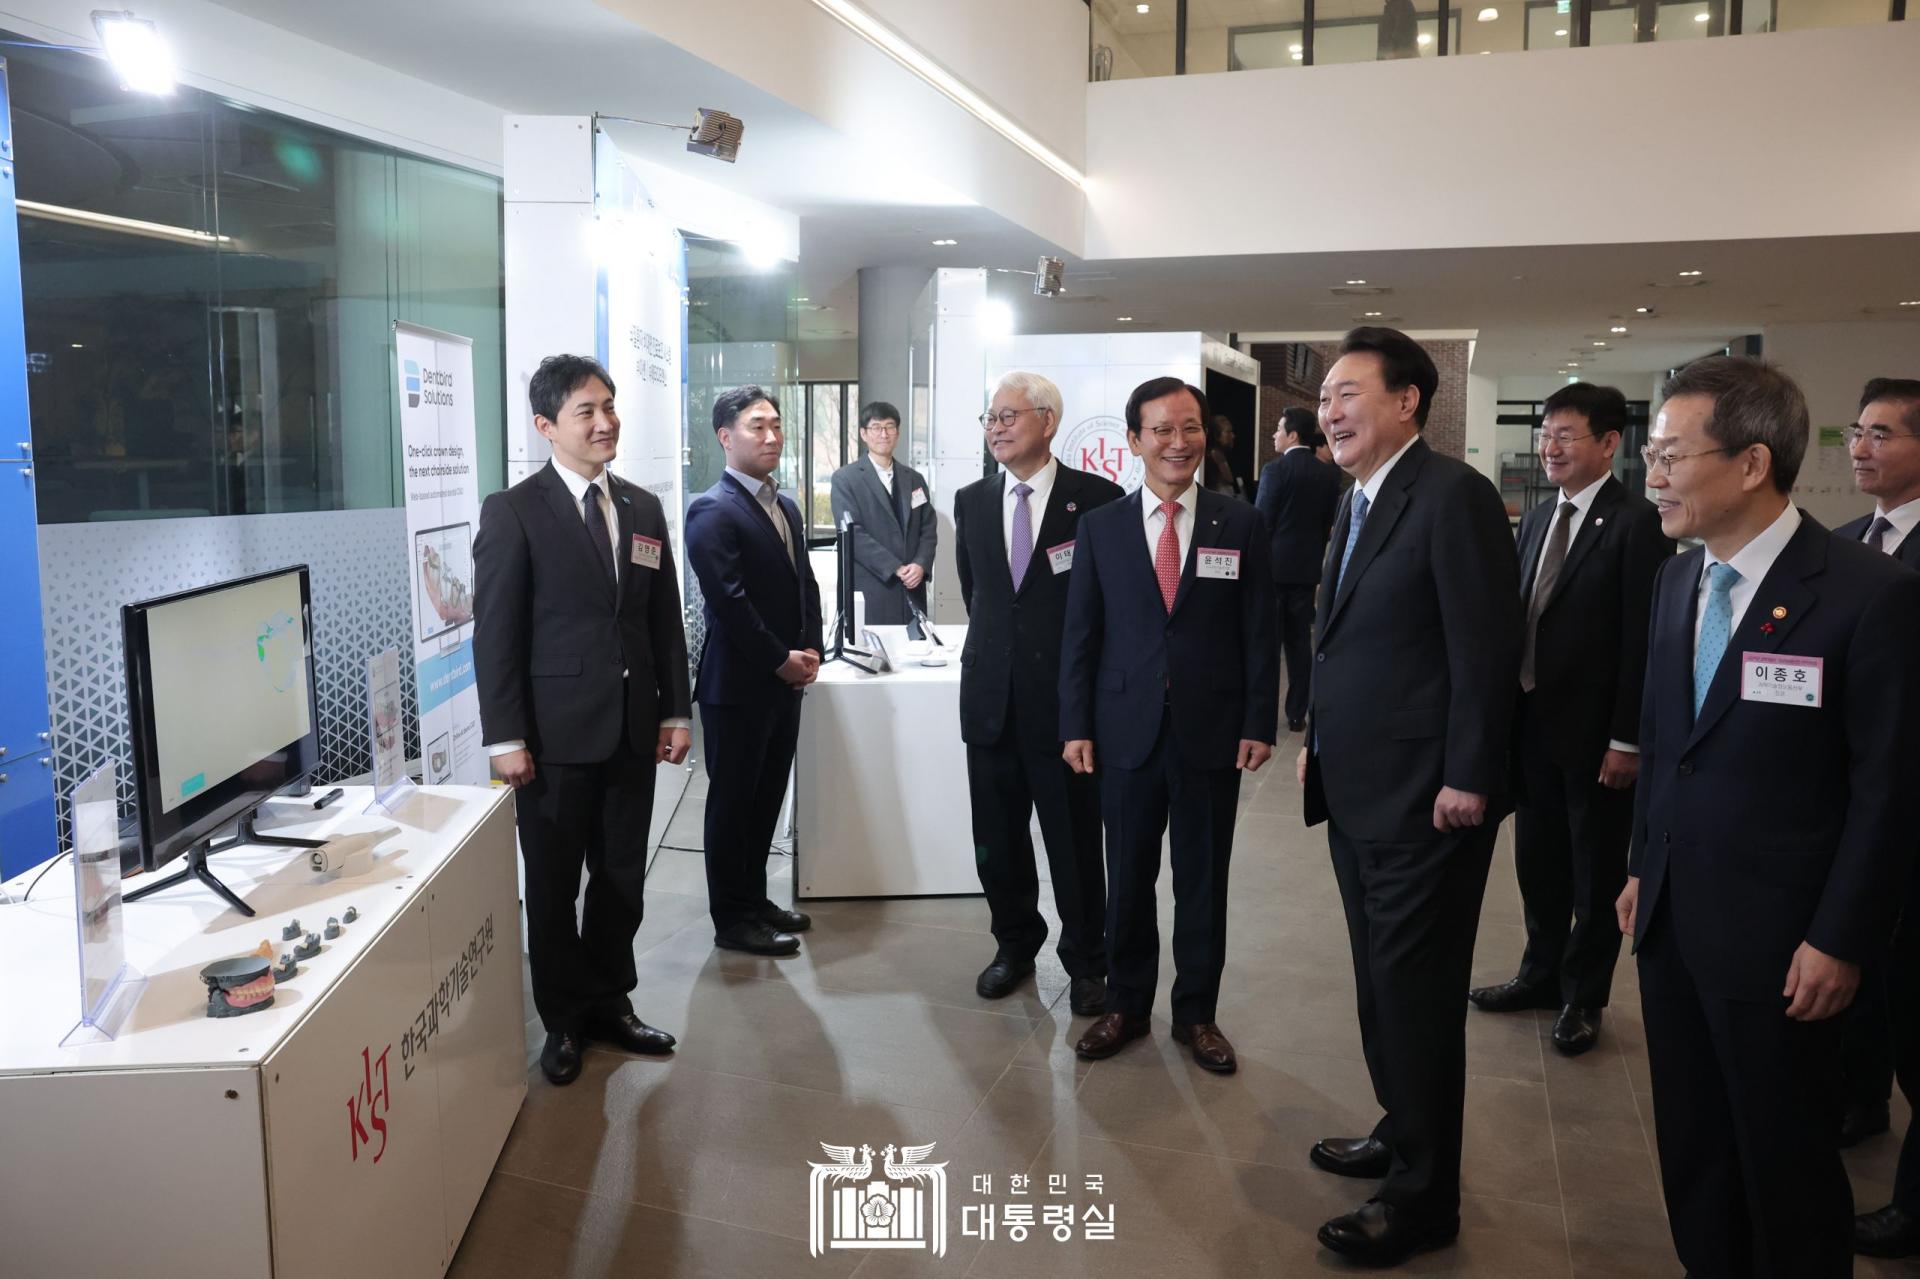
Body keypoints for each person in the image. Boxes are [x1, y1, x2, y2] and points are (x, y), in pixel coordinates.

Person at [1617, 356, 1920, 1277]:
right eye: (1650, 453)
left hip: (1786, 944)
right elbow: (1667, 744)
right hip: (1674, 920)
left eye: (1671, 454)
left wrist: (1841, 937)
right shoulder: (1679, 582)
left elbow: (1889, 788)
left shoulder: (1869, 592)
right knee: (1695, 1148)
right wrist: (1642, 865)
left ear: (1752, 463)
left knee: (1784, 1164)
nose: (1653, 474)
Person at [1297, 327, 1521, 1266]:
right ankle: (1402, 1128)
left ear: (1407, 401)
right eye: (1324, 399)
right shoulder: (1358, 499)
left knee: (1417, 996)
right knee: (1381, 984)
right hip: (1360, 790)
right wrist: (1319, 743)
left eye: (1348, 393)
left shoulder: (1452, 496)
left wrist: (1470, 772)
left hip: (1427, 800)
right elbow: (1345, 641)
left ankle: (1425, 1198)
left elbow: (1485, 649)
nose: (1330, 412)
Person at [473, 354, 691, 1086]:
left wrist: (675, 708)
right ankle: (563, 1018)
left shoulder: (641, 507)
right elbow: (496, 634)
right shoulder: (514, 511)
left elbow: (662, 622)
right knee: (554, 883)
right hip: (552, 737)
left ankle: (609, 1000)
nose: (605, 422)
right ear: (546, 425)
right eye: (586, 411)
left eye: (610, 406)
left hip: (631, 727)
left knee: (622, 876)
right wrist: (506, 736)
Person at [1060, 376, 1277, 1074]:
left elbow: (1258, 631)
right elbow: (1081, 636)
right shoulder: (1101, 528)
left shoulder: (1239, 522)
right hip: (1123, 732)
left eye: (1191, 427)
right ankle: (1125, 1004)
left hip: (1210, 732)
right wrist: (1075, 724)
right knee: (1126, 877)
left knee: (1203, 880)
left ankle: (1197, 1014)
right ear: (1134, 440)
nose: (1178, 442)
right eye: (1162, 429)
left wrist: (1259, 719)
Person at [1468, 383, 1671, 1055]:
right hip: (1531, 724)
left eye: (1565, 435)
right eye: (1544, 435)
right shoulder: (1535, 518)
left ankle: (1583, 996)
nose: (1549, 448)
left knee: (1596, 868)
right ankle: (1539, 974)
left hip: (1596, 736)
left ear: (1609, 443)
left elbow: (1642, 640)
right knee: (1540, 861)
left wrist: (1626, 738)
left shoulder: (1637, 523)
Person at [954, 372, 1124, 1016]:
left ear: (1048, 421)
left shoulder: (1098, 500)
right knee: (997, 840)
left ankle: (1087, 961)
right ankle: (1014, 944)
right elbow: (979, 595)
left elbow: (1105, 608)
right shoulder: (971, 501)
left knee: (1074, 843)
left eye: (1009, 416)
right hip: (991, 703)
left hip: (1065, 709)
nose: (996, 428)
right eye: (990, 418)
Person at [685, 385, 824, 957]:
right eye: (756, 426)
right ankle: (732, 918)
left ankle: (756, 900)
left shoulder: (784, 505)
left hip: (784, 682)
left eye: (776, 424)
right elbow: (730, 602)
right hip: (738, 687)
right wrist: (779, 659)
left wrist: (811, 648)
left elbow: (804, 582)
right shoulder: (712, 509)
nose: (772, 436)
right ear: (725, 437)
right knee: (734, 804)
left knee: (766, 798)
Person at [1836, 376, 1920, 1259]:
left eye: (1883, 433)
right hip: (1854, 816)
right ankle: (1859, 1103)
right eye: (1858, 431)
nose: (1861, 448)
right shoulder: (1845, 545)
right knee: (1867, 981)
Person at [1254, 406, 1342, 733]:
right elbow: (1327, 525)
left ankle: (1263, 713)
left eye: (1279, 429)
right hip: (1307, 570)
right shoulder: (1328, 475)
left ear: (1292, 435)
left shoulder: (1275, 471)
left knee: (1267, 644)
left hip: (1273, 571)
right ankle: (1296, 714)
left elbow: (1262, 522)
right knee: (1299, 644)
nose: (1274, 434)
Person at [828, 400, 936, 626]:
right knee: (871, 646)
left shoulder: (914, 479)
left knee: (914, 644)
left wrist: (921, 564)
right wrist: (894, 567)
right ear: (863, 434)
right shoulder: (845, 479)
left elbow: (928, 528)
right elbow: (853, 534)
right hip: (872, 588)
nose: (884, 434)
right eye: (876, 427)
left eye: (890, 427)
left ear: (898, 432)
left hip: (912, 589)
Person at [1204, 414, 1241, 496]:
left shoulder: (1226, 457)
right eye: (1228, 432)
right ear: (1217, 436)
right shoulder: (1211, 459)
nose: (1233, 436)